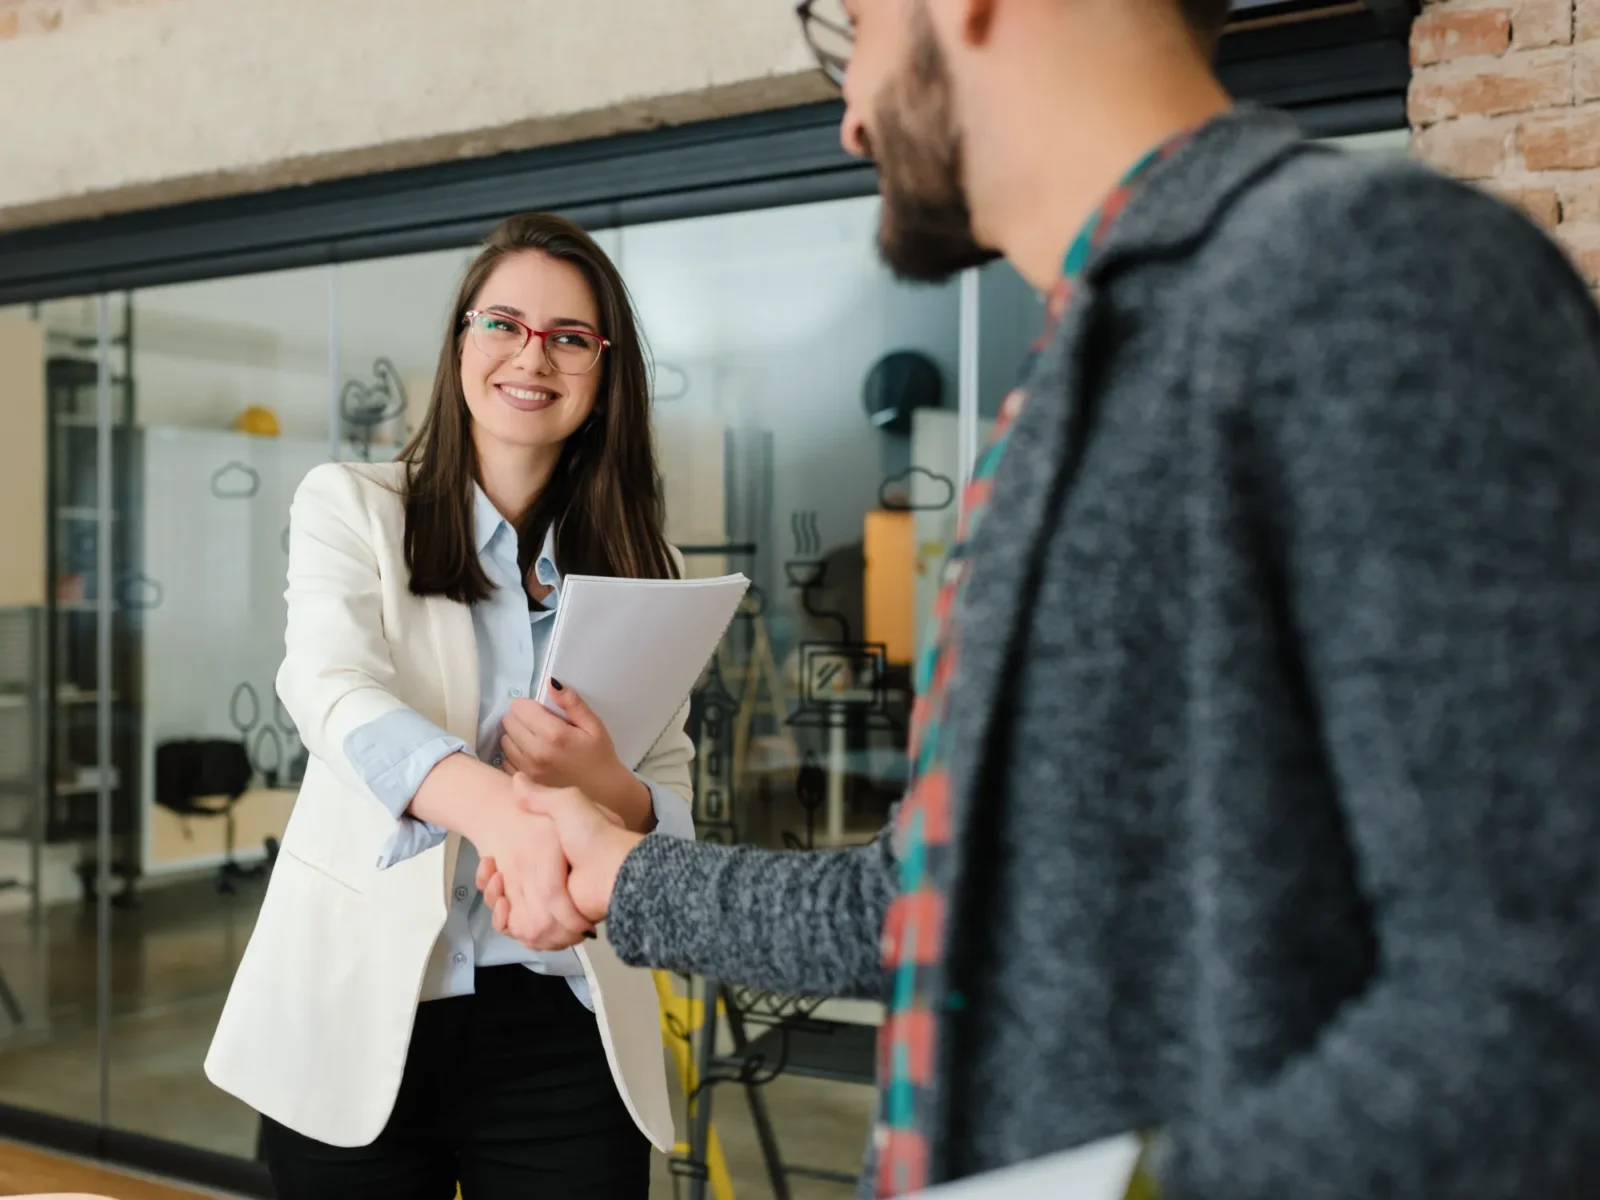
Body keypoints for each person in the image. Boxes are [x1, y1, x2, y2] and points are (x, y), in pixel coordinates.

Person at [483, 0, 1600, 1197]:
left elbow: (1540, 1014)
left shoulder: (1373, 281)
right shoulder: (1074, 382)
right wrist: (622, 870)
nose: (851, 114)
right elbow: (921, 904)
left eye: (848, 28)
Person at [204, 211, 696, 1199]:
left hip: (564, 1016)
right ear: (461, 343)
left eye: (569, 337)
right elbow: (327, 686)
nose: (532, 356)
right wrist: (500, 812)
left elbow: (668, 794)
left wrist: (605, 784)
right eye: (502, 324)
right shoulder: (352, 506)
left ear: (605, 374)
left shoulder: (644, 566)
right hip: (357, 1005)